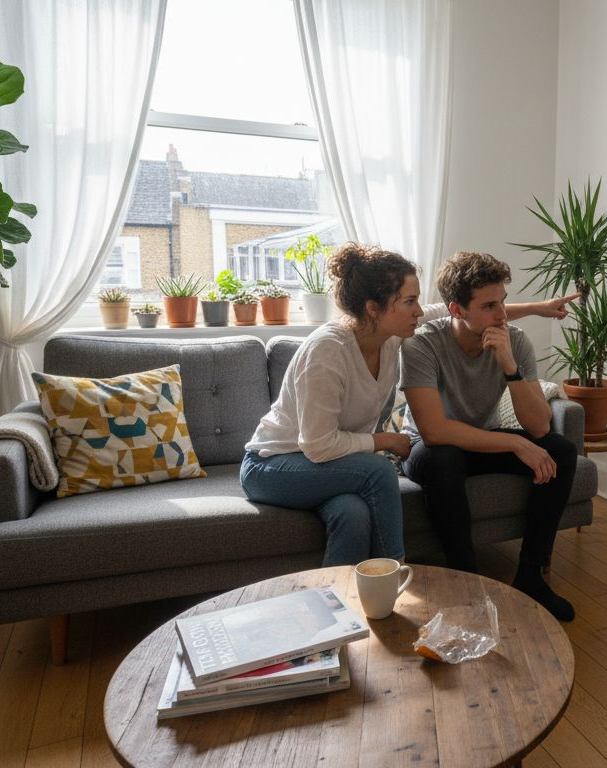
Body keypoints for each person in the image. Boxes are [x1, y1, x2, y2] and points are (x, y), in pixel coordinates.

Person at [241, 243, 574, 567]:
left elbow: (459, 311)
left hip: (328, 464)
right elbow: (317, 445)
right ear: (374, 308)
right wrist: (382, 441)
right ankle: (395, 571)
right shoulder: (327, 352)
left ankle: (338, 608)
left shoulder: (392, 336)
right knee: (379, 471)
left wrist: (537, 308)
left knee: (351, 514)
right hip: (273, 465)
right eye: (410, 301)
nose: (419, 311)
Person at [400, 251, 580, 621]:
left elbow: (540, 428)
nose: (501, 314)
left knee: (559, 449)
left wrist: (510, 369)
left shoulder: (514, 341)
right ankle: (468, 583)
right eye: (489, 306)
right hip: (427, 449)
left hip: (480, 439)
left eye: (503, 302)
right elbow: (435, 431)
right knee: (443, 457)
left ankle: (531, 576)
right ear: (457, 309)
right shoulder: (421, 345)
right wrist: (515, 443)